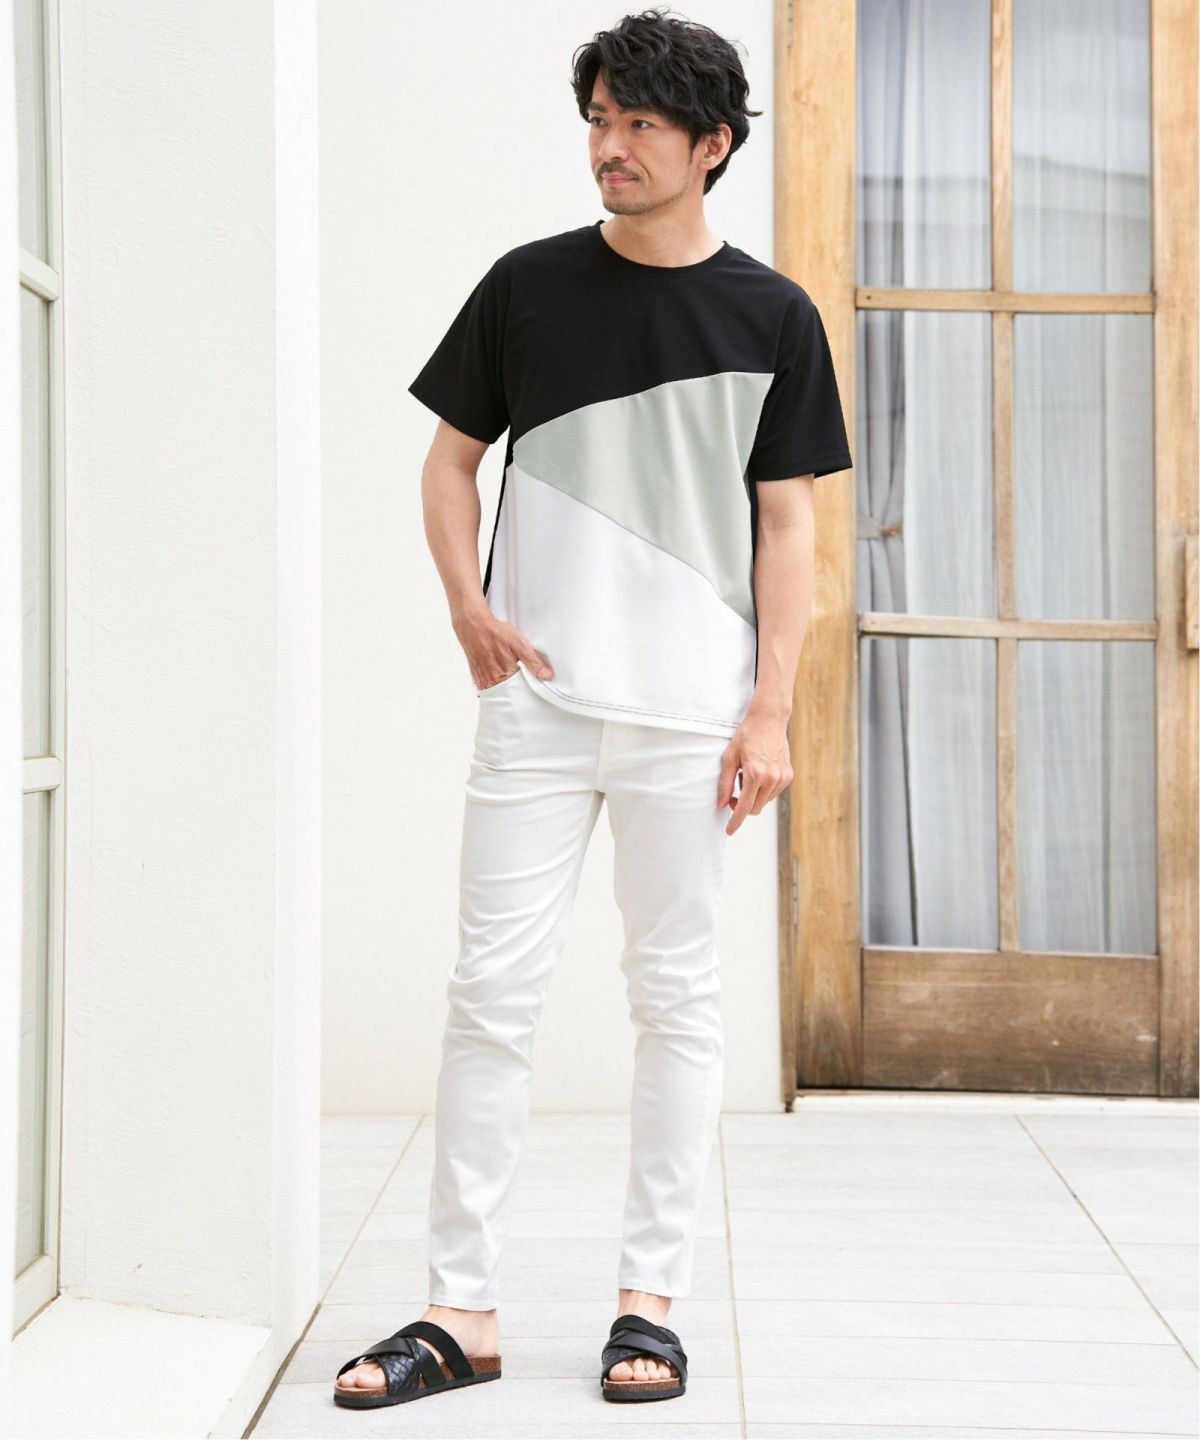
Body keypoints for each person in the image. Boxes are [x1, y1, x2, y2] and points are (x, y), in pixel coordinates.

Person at [333, 5, 851, 1412]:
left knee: (676, 999)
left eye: (638, 124)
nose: (608, 146)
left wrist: (769, 712)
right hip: (539, 706)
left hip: (692, 711)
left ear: (711, 144)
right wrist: (466, 604)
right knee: (488, 995)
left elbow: (787, 527)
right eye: (599, 120)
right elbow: (449, 463)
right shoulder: (527, 286)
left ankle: (650, 1305)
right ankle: (460, 1312)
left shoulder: (772, 316)